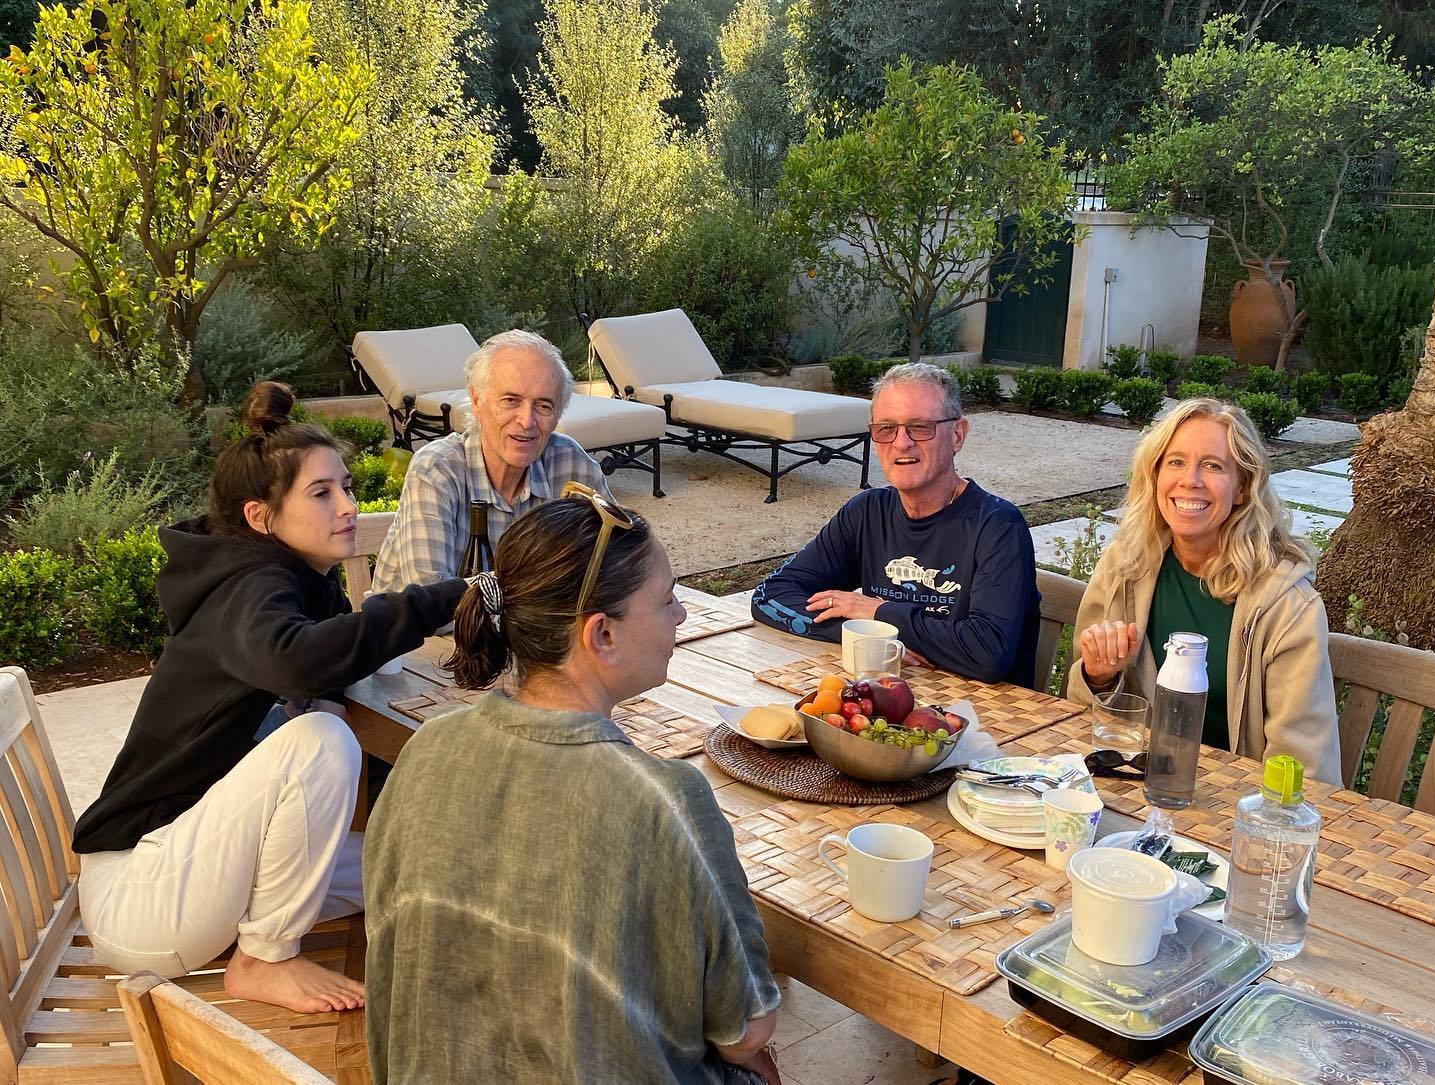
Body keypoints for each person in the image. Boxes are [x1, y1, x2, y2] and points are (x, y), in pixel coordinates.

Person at [71, 382, 467, 1013]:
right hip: (141, 893)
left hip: (201, 866)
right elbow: (297, 659)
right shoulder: (248, 588)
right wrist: (442, 599)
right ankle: (265, 958)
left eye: (346, 486)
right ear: (260, 518)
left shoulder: (294, 579)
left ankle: (277, 938)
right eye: (322, 493)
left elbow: (325, 666)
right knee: (320, 741)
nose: (348, 506)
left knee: (420, 863)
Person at [364, 489, 782, 1085]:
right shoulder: (664, 800)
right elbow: (747, 1027)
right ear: (601, 634)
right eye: (668, 600)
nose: (682, 616)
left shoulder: (428, 747)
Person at [1066, 397, 1341, 784]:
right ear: (1155, 475)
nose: (1190, 480)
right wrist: (1099, 676)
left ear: (1243, 487)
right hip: (1134, 783)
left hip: (1234, 797)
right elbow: (1079, 714)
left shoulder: (1285, 604)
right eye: (1176, 462)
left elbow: (1303, 764)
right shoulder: (1126, 565)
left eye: (1213, 466)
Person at [750, 362, 1040, 686]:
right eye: (886, 428)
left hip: (990, 712)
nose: (901, 443)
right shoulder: (867, 513)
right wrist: (870, 638)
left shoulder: (998, 526)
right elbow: (770, 596)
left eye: (920, 427)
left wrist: (877, 612)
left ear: (957, 435)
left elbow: (987, 653)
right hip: (891, 700)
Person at [370, 329, 614, 591]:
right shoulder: (438, 469)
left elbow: (620, 559)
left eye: (543, 406)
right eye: (511, 400)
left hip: (524, 618)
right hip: (421, 619)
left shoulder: (570, 463)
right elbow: (431, 596)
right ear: (477, 401)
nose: (527, 421)